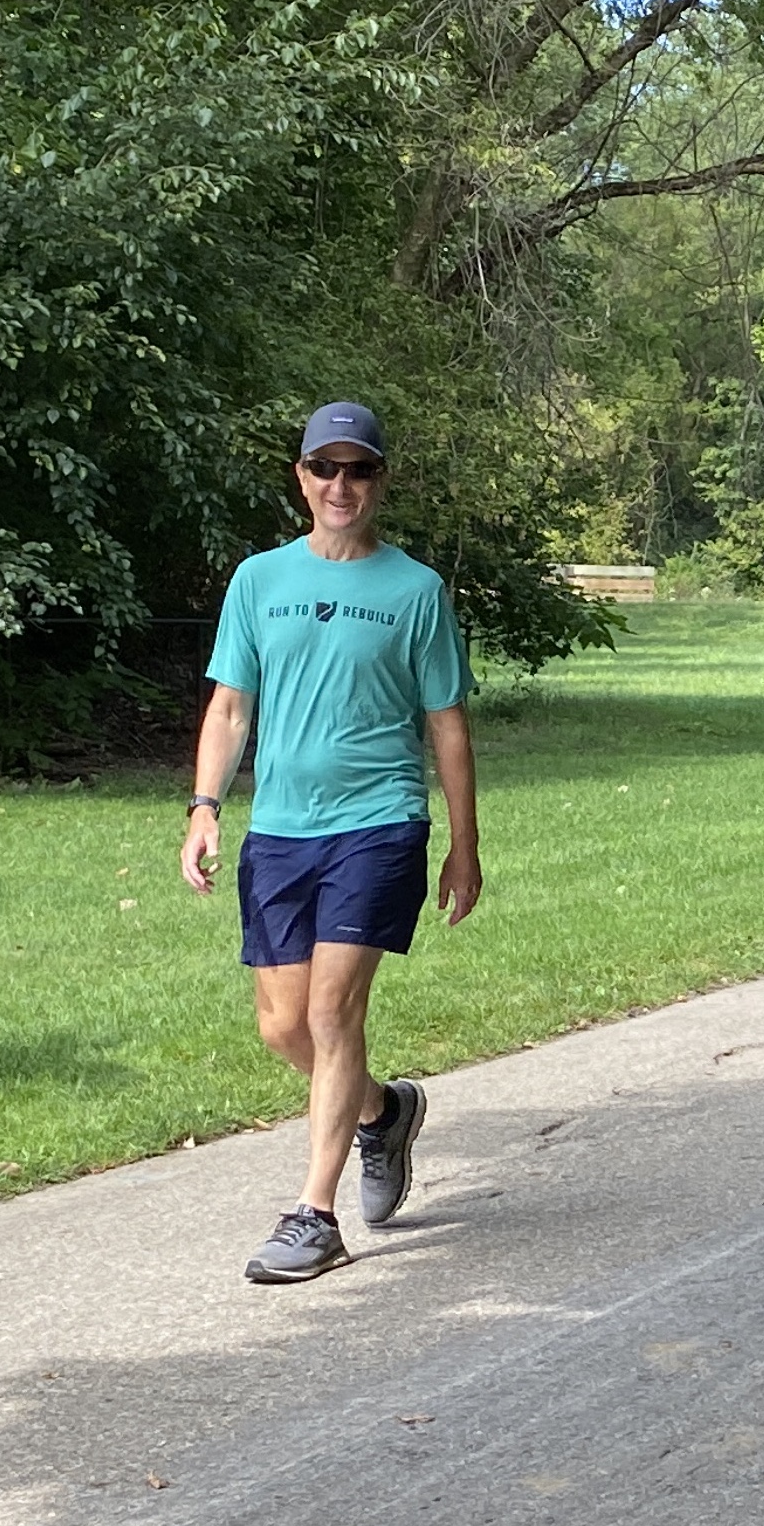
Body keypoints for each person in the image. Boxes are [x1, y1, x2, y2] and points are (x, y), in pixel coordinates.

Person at [181, 402, 482, 1283]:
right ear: (302, 477)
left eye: (359, 470)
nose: (341, 485)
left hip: (380, 820)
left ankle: (314, 1214)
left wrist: (463, 845)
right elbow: (230, 707)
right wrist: (205, 805)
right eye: (326, 468)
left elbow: (448, 726)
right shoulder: (257, 580)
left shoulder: (415, 591)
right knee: (282, 1027)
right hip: (280, 830)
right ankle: (383, 1112)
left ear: (380, 481)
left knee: (329, 1011)